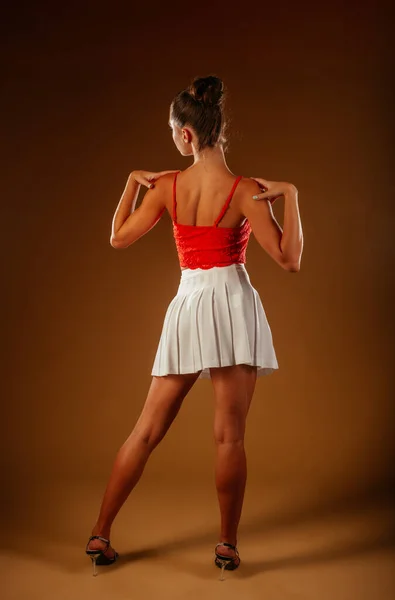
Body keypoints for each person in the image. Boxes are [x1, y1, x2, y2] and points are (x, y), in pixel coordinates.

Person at [85, 75, 303, 579]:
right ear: (217, 129)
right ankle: (226, 546)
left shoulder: (165, 186)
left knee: (145, 431)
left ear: (186, 135)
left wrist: (130, 181)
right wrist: (291, 195)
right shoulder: (248, 192)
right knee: (229, 439)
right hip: (232, 303)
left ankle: (100, 534)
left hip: (188, 303)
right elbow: (290, 260)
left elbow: (117, 238)